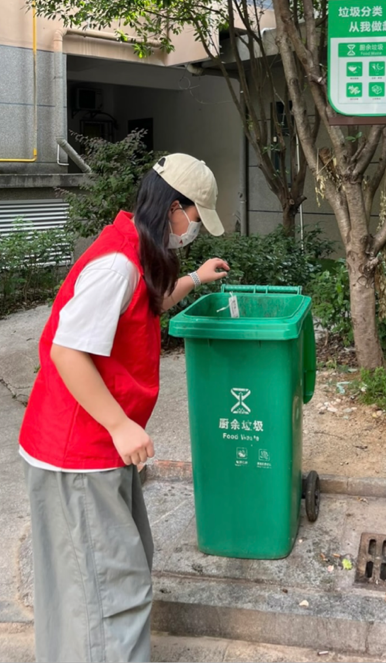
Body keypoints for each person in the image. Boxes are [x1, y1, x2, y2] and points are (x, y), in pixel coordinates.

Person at [18, 153, 229, 663]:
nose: (194, 231)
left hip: (94, 449)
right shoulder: (116, 264)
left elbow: (148, 302)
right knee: (112, 591)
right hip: (80, 451)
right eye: (195, 219)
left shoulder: (134, 249)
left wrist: (195, 278)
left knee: (97, 579)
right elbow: (67, 352)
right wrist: (119, 424)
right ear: (174, 208)